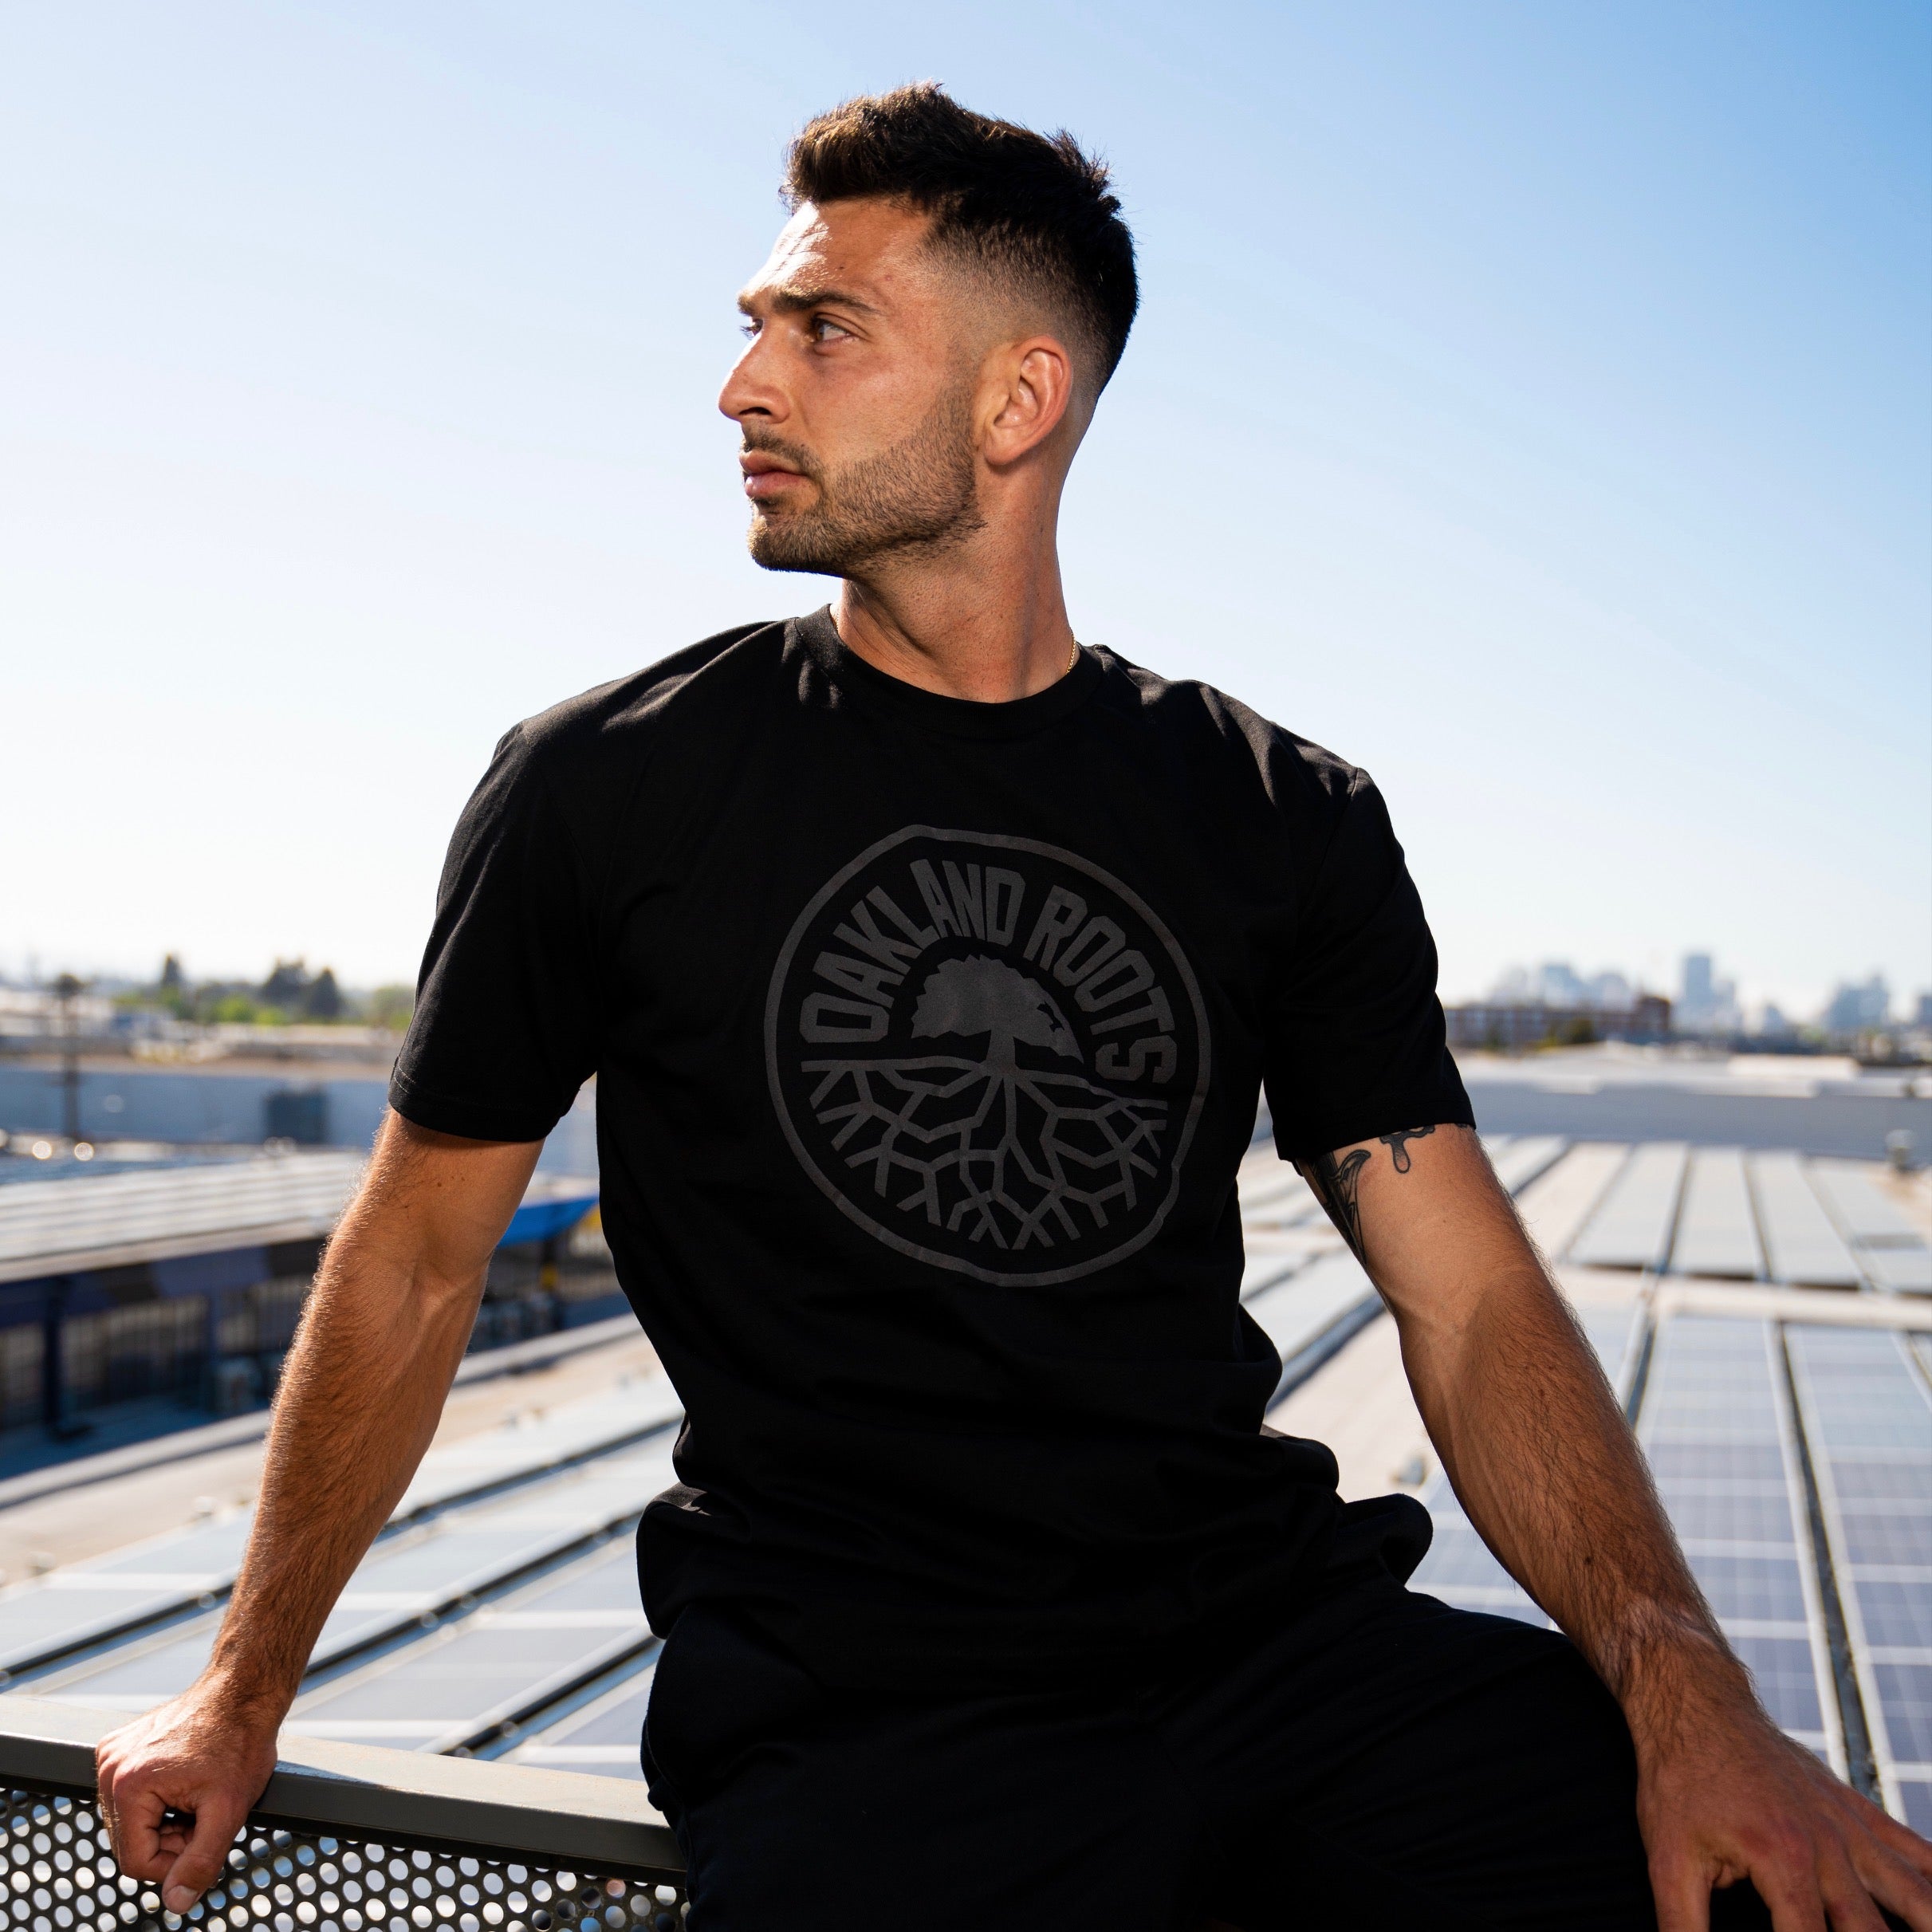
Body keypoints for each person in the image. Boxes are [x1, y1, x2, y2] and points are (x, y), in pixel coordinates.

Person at [96, 85, 1931, 1932]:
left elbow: (1462, 1299)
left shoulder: (1282, 814)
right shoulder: (606, 789)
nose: (743, 386)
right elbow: (415, 1258)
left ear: (1017, 400)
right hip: (871, 1730)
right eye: (754, 329)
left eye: (820, 330)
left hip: (1282, 1659)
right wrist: (241, 1691)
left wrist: (1690, 1691)